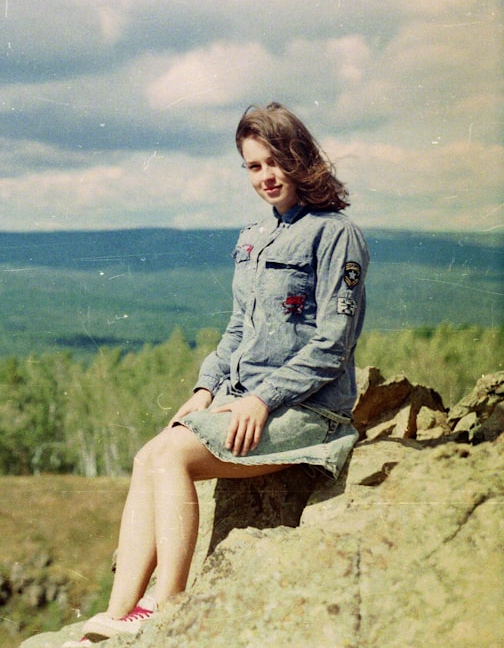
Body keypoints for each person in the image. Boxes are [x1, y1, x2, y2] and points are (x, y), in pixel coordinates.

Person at [68, 103, 369, 645]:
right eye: (254, 167)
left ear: (301, 159)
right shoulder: (254, 236)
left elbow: (333, 345)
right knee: (149, 455)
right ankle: (118, 616)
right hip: (240, 395)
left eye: (275, 161)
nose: (267, 177)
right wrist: (205, 388)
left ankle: (168, 606)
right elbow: (237, 328)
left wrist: (263, 399)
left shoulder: (336, 235)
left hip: (308, 410)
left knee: (175, 456)